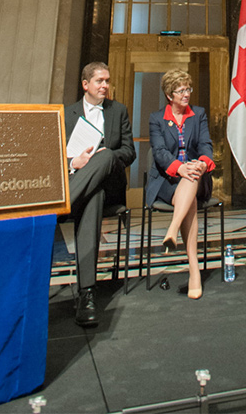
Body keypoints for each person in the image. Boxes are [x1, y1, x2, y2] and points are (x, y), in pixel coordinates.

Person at [65, 62, 136, 327]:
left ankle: (58, 206)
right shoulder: (67, 113)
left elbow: (129, 152)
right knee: (91, 199)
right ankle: (87, 294)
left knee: (105, 155)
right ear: (86, 84)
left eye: (107, 81)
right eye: (99, 81)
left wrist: (104, 157)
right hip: (86, 186)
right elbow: (57, 155)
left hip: (112, 183)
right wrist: (75, 163)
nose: (105, 85)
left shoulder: (118, 111)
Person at [146, 69, 216, 300]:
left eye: (188, 89)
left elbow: (206, 145)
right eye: (181, 90)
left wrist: (202, 164)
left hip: (198, 175)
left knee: (192, 178)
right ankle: (194, 268)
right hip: (168, 180)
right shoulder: (157, 119)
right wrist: (180, 167)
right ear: (169, 94)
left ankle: (173, 228)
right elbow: (159, 152)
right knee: (189, 191)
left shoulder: (199, 114)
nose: (187, 94)